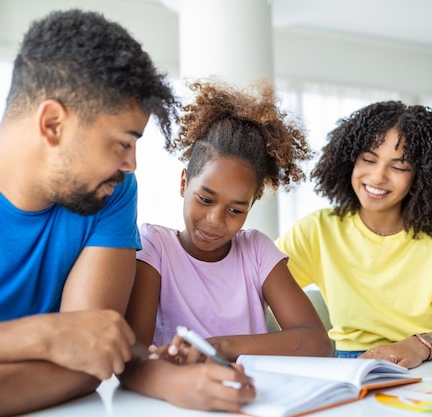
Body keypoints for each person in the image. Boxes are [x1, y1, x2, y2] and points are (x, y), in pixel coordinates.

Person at [0, 9, 178, 417]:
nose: (131, 164)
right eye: (123, 143)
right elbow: (69, 344)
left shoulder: (111, 192)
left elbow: (90, 359)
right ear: (52, 123)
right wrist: (41, 336)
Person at [118, 79, 332, 412]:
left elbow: (318, 342)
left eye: (236, 210)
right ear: (184, 182)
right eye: (205, 199)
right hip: (175, 404)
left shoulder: (257, 252)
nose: (216, 220)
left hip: (252, 400)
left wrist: (217, 346)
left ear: (254, 201)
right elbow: (134, 354)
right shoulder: (155, 247)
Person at [275, 100, 432, 370]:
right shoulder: (317, 230)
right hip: (355, 362)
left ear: (421, 176)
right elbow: (253, 286)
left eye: (398, 167)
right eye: (368, 159)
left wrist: (418, 346)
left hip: (430, 357)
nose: (377, 177)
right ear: (350, 159)